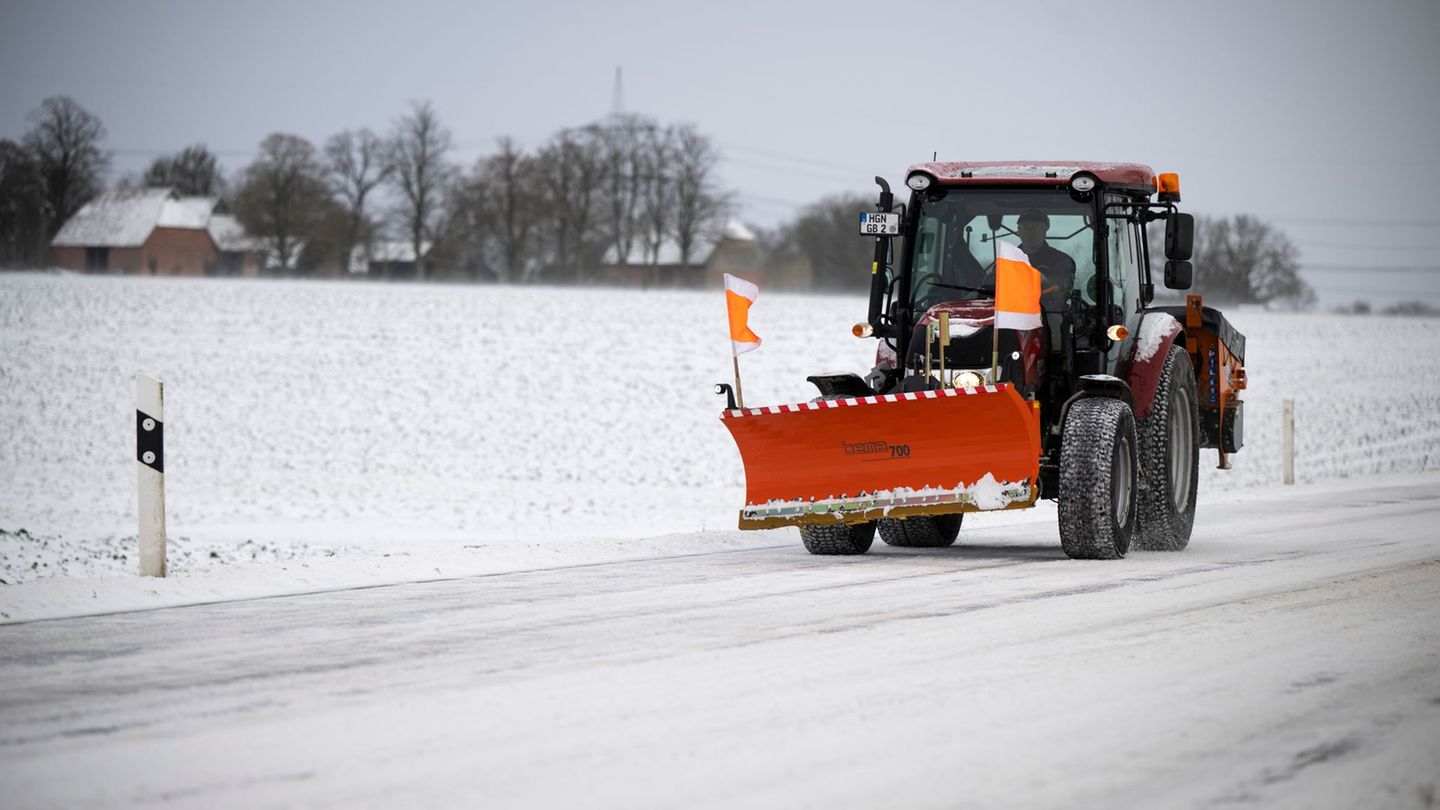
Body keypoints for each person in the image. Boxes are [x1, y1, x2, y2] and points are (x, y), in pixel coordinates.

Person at [1015, 209, 1076, 309]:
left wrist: (1044, 281)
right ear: (1019, 231)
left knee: (1054, 320)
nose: (1030, 232)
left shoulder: (1062, 261)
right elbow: (990, 288)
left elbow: (1062, 289)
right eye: (1026, 227)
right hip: (1011, 314)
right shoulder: (1006, 259)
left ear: (1045, 230)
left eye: (1035, 227)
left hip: (1047, 314)